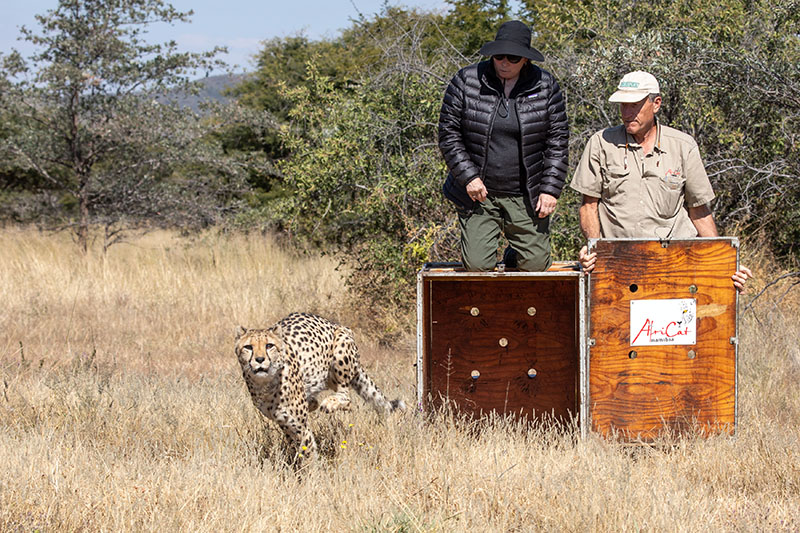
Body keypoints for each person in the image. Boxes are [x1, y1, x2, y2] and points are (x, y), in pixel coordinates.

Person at [569, 71, 751, 291]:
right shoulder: (601, 143)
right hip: (619, 263)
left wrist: (723, 263)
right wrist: (593, 247)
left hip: (674, 262)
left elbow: (699, 211)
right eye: (623, 105)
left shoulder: (683, 146)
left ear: (656, 103)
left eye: (634, 105)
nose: (627, 113)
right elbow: (589, 206)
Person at [438, 20, 569, 272]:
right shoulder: (466, 80)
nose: (504, 62)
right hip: (478, 193)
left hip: (525, 194)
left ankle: (515, 251)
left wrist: (550, 190)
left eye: (513, 57)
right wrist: (469, 178)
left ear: (525, 60)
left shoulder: (546, 86)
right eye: (499, 56)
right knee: (477, 266)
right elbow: (448, 134)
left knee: (535, 265)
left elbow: (557, 141)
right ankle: (487, 244)